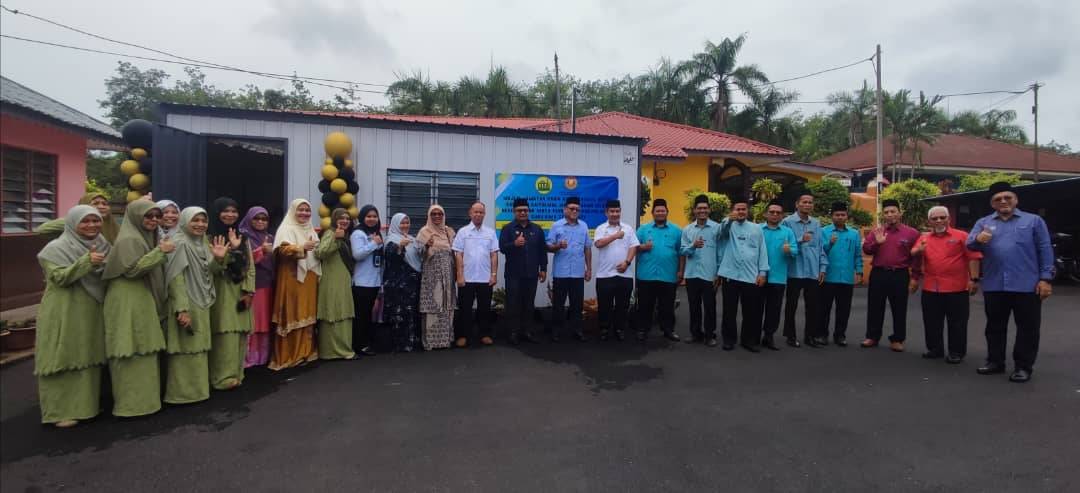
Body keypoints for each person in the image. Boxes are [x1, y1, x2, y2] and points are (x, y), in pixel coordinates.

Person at [966, 182, 1054, 382]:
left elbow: (1045, 249)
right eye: (998, 199)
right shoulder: (984, 223)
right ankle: (995, 362)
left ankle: (1023, 367)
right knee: (994, 327)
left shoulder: (1033, 221)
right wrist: (979, 239)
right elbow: (970, 244)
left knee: (1028, 328)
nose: (1003, 201)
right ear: (992, 203)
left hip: (1027, 284)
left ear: (1016, 199)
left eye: (1007, 197)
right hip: (995, 284)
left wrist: (1045, 279)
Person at [34, 205, 111, 427]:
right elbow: (59, 277)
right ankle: (59, 410)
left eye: (95, 221)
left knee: (87, 351)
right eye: (84, 221)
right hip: (65, 307)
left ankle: (86, 406)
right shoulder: (55, 248)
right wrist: (86, 262)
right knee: (64, 352)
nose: (92, 225)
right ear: (71, 224)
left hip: (92, 306)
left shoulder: (103, 244)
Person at [101, 199, 172, 417]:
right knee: (129, 346)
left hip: (140, 296)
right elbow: (132, 271)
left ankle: (145, 401)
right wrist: (160, 252)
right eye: (148, 216)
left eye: (156, 216)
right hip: (127, 298)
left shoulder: (146, 237)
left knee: (143, 346)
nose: (153, 220)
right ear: (135, 217)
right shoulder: (129, 239)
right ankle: (131, 404)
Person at [163, 207, 228, 403]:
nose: (200, 224)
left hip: (202, 298)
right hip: (186, 300)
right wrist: (182, 309)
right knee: (185, 347)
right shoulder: (179, 243)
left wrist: (218, 258)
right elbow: (176, 279)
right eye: (195, 220)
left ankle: (198, 391)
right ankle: (181, 394)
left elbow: (211, 272)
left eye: (203, 220)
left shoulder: (202, 243)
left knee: (198, 346)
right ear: (184, 221)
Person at [911, 205, 981, 364]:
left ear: (949, 219)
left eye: (942, 217)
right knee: (931, 321)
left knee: (957, 322)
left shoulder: (962, 236)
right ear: (929, 221)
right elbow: (913, 253)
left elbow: (973, 257)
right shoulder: (924, 238)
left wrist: (974, 279)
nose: (939, 220)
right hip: (931, 287)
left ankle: (956, 352)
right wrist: (918, 251)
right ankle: (935, 349)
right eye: (934, 218)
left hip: (956, 288)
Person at [207, 197, 254, 390]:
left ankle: (237, 373)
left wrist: (249, 290)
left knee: (240, 333)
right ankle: (222, 377)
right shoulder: (208, 237)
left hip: (241, 289)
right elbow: (211, 269)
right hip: (221, 289)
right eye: (226, 211)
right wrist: (225, 255)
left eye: (234, 211)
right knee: (224, 333)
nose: (230, 215)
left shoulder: (243, 237)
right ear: (217, 213)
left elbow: (250, 267)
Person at [861, 198, 920, 352]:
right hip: (879, 274)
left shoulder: (912, 233)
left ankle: (897, 339)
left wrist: (914, 277)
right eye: (886, 212)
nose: (890, 215)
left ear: (899, 213)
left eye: (893, 211)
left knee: (899, 308)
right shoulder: (877, 232)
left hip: (899, 275)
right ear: (883, 215)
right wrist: (877, 243)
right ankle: (872, 337)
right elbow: (867, 250)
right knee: (875, 307)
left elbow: (917, 257)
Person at [269, 199, 321, 370]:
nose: (304, 213)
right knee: (292, 312)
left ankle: (305, 351)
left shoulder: (310, 229)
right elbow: (281, 251)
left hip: (309, 278)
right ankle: (288, 356)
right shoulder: (286, 228)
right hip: (291, 277)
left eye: (307, 210)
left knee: (306, 313)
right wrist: (301, 247)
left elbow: (316, 253)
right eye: (301, 210)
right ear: (293, 211)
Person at [716, 197, 769, 352]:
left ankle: (749, 341)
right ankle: (729, 339)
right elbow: (720, 233)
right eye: (737, 209)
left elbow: (762, 251)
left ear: (747, 211)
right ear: (733, 211)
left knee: (750, 311)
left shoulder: (756, 228)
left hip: (751, 275)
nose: (740, 212)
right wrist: (727, 220)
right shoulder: (727, 226)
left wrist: (763, 272)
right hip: (730, 275)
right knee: (729, 310)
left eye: (743, 209)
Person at [781, 194, 827, 348]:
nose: (807, 205)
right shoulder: (787, 222)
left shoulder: (816, 223)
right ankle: (790, 336)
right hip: (794, 271)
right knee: (791, 305)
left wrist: (822, 268)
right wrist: (800, 240)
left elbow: (820, 247)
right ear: (797, 204)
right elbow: (785, 244)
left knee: (813, 306)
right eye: (804, 202)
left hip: (812, 271)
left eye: (810, 202)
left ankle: (810, 336)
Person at [499, 198, 547, 344]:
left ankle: (527, 331)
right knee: (513, 304)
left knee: (528, 303)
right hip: (513, 274)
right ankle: (513, 332)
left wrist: (543, 268)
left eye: (525, 210)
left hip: (532, 274)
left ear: (529, 211)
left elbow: (542, 251)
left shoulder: (537, 229)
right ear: (514, 212)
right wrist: (514, 243)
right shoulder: (507, 228)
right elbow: (502, 248)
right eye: (519, 210)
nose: (523, 212)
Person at [635, 198, 683, 342]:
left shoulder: (677, 231)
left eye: (663, 211)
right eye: (658, 211)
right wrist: (643, 247)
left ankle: (668, 330)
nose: (660, 213)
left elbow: (681, 252)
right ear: (653, 213)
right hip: (646, 275)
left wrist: (681, 271)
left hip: (668, 275)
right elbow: (633, 248)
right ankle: (642, 330)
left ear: (667, 212)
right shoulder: (643, 230)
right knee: (644, 305)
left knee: (667, 306)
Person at [453, 201, 500, 347]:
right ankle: (463, 335)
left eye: (481, 212)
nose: (478, 214)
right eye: (476, 212)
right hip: (467, 277)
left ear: (484, 214)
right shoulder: (463, 232)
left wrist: (493, 274)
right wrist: (459, 275)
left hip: (485, 278)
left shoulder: (490, 232)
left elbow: (493, 254)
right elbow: (458, 254)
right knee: (465, 308)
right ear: (470, 213)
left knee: (484, 308)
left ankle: (484, 334)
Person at [546, 197, 592, 342]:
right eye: (571, 208)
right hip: (561, 272)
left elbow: (587, 248)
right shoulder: (556, 226)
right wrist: (558, 246)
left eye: (577, 209)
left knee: (577, 305)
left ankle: (577, 330)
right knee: (558, 304)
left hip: (578, 273)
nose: (574, 211)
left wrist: (589, 268)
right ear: (565, 209)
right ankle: (556, 331)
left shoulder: (584, 226)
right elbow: (548, 246)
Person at [593, 199, 639, 341]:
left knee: (622, 305)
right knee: (604, 305)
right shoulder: (601, 228)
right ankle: (604, 329)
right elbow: (599, 244)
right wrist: (615, 236)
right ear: (606, 213)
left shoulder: (628, 228)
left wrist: (627, 262)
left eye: (617, 211)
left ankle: (619, 329)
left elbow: (634, 246)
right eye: (612, 211)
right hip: (605, 275)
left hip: (624, 274)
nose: (615, 214)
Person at [820, 202, 864, 347]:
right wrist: (830, 244)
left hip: (846, 278)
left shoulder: (854, 233)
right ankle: (822, 334)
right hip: (828, 277)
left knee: (843, 309)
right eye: (837, 215)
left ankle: (840, 335)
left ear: (847, 216)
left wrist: (859, 271)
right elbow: (820, 253)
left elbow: (858, 254)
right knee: (824, 308)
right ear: (831, 216)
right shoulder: (824, 232)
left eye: (842, 215)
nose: (840, 217)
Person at [681, 194, 722, 346]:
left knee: (710, 307)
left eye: (705, 208)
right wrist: (693, 246)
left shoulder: (717, 228)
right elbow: (683, 251)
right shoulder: (688, 229)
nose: (702, 211)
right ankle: (695, 333)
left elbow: (720, 252)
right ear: (694, 210)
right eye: (699, 208)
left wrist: (718, 274)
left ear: (709, 210)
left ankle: (710, 335)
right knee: (694, 306)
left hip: (709, 275)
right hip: (692, 274)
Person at [238, 207, 275, 367]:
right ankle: (248, 358)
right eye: (256, 219)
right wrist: (262, 251)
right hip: (252, 287)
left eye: (264, 219)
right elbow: (243, 262)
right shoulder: (242, 237)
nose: (260, 222)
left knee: (265, 322)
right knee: (253, 322)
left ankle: (262, 357)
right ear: (249, 219)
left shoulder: (270, 237)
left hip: (268, 285)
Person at [318, 208, 357, 360]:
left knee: (343, 311)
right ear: (334, 219)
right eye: (341, 218)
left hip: (343, 279)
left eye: (347, 218)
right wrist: (335, 238)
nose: (345, 221)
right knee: (333, 311)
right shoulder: (330, 233)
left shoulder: (345, 235)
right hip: (332, 279)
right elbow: (321, 252)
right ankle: (330, 351)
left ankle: (344, 349)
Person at [416, 204, 457, 350]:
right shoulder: (424, 232)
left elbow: (455, 253)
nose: (437, 216)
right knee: (433, 304)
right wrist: (426, 246)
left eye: (440, 213)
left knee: (447, 304)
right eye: (433, 214)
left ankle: (445, 340)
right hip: (431, 275)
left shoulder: (449, 232)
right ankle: (431, 342)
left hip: (448, 274)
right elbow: (418, 255)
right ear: (429, 215)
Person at [759, 200, 798, 350]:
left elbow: (795, 251)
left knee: (774, 310)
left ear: (782, 215)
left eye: (778, 213)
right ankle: (754, 336)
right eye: (772, 212)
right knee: (756, 308)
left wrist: (790, 250)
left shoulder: (787, 232)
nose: (775, 215)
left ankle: (768, 337)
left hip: (778, 277)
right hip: (759, 276)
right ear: (766, 214)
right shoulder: (758, 230)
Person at [383, 213, 422, 352]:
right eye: (402, 223)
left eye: (407, 222)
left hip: (412, 282)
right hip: (398, 284)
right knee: (399, 315)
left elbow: (419, 258)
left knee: (412, 314)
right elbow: (389, 256)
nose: (405, 225)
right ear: (395, 224)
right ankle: (399, 344)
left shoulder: (412, 239)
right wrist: (400, 246)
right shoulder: (390, 239)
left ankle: (412, 343)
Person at [350, 204, 384, 356]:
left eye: (374, 216)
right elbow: (357, 254)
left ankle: (367, 342)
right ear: (362, 217)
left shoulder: (376, 233)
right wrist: (373, 243)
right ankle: (359, 345)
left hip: (374, 281)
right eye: (368, 216)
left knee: (368, 314)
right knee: (361, 315)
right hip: (362, 281)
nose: (372, 219)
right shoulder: (358, 233)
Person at [36, 192, 121, 243]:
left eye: (105, 204)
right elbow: (42, 230)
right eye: (96, 203)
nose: (102, 206)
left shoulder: (112, 225)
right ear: (84, 206)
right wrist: (77, 219)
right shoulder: (76, 222)